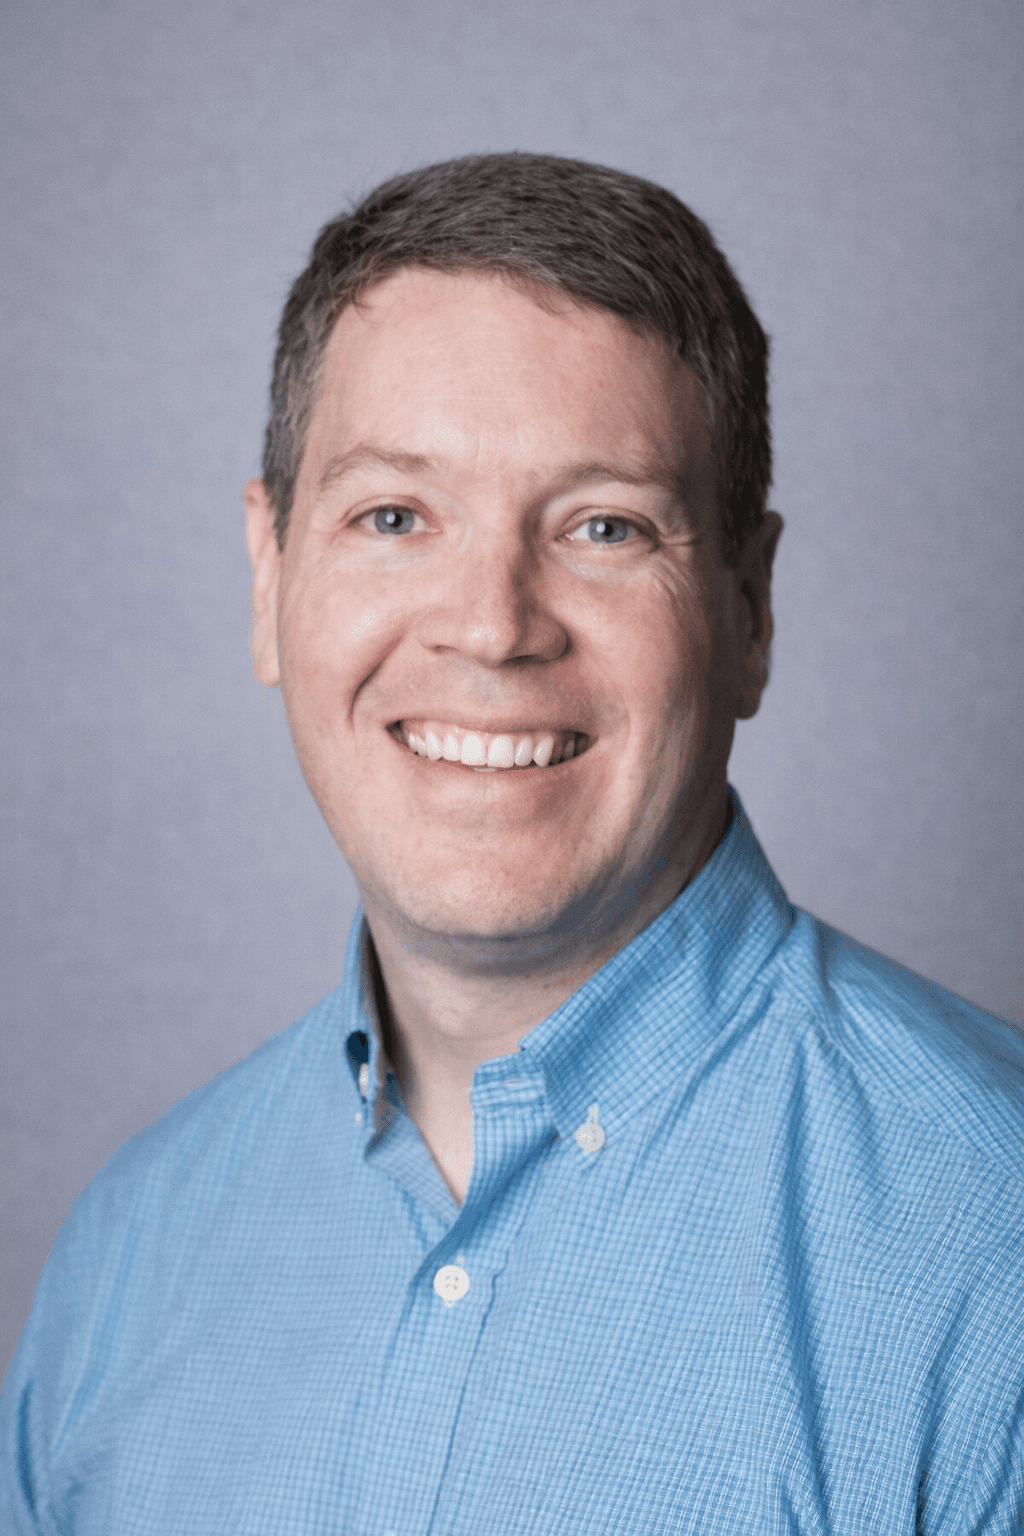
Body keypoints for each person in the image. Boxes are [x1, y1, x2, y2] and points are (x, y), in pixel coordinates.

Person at [2, 152, 1022, 1535]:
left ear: (751, 609)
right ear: (270, 574)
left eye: (605, 526)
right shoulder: (127, 1261)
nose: (492, 625)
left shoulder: (991, 1245)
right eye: (395, 518)